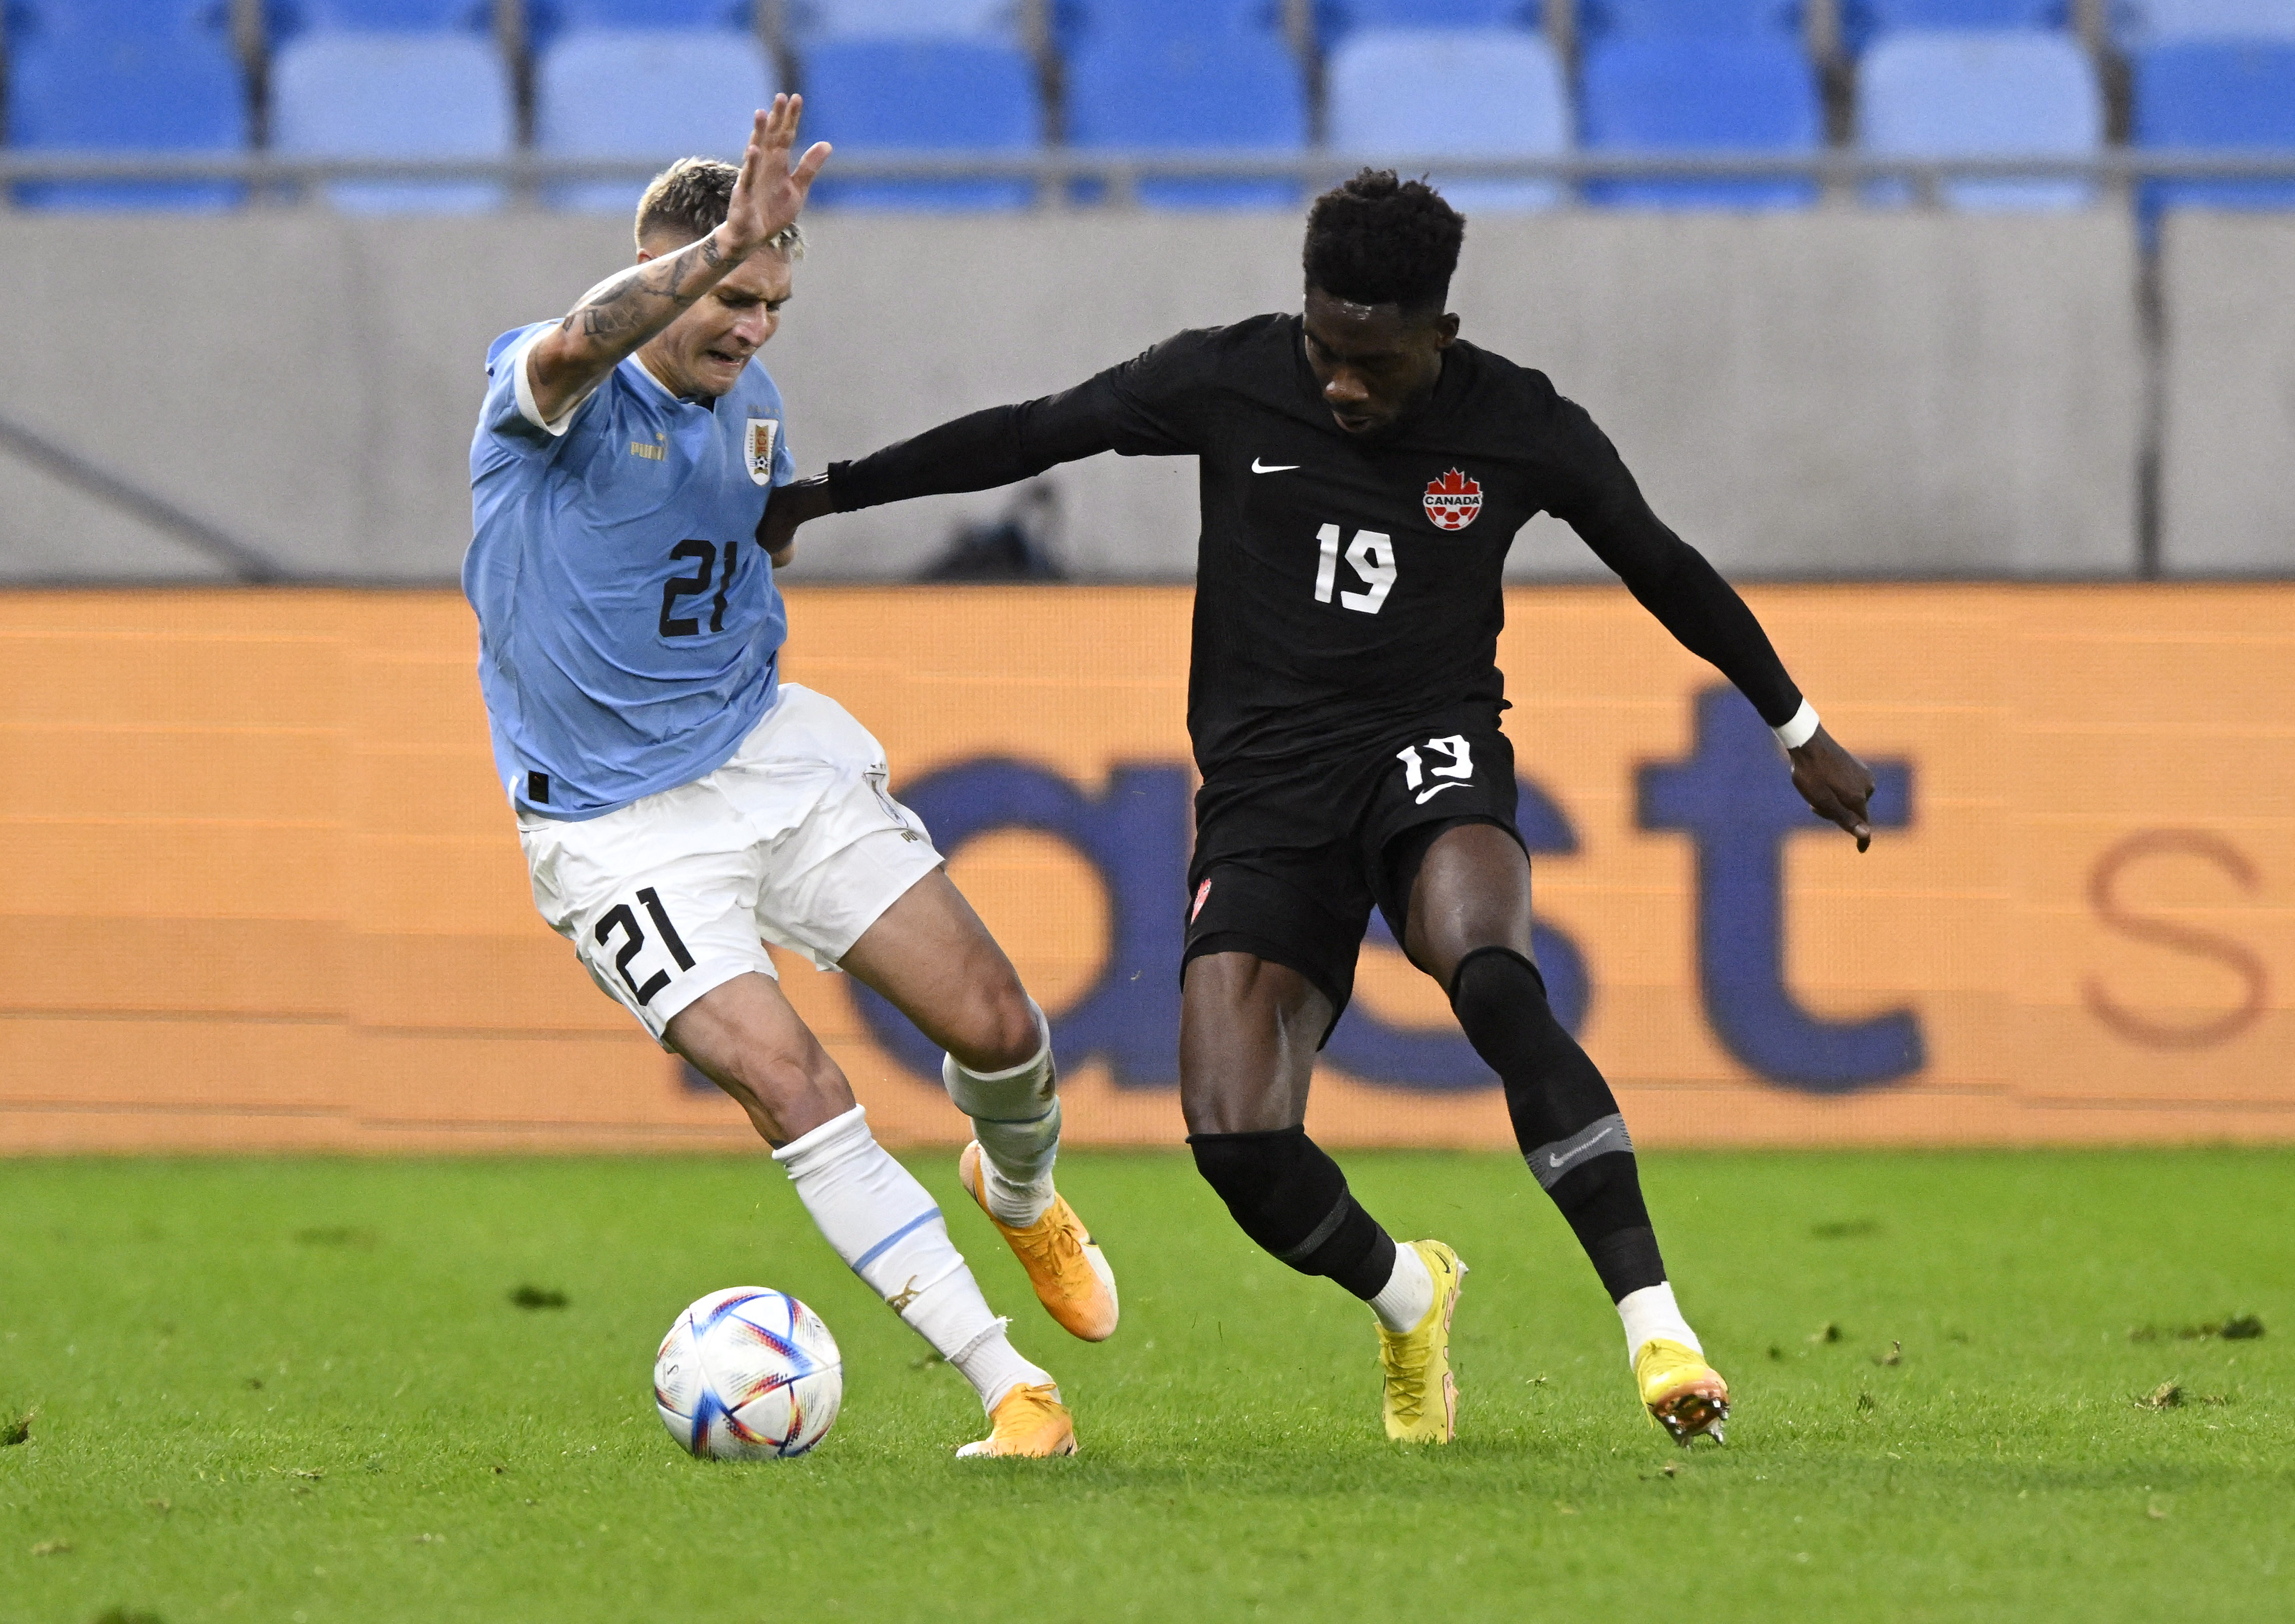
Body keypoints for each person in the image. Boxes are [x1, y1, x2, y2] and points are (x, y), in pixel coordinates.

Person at [759, 169, 1881, 1448]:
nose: (1343, 382)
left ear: (1438, 337)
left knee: (1495, 980)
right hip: (1266, 791)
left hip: (1430, 747)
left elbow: (1661, 561)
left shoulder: (1517, 424)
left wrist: (1794, 726)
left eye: (1376, 362)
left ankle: (1656, 1326)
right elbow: (1034, 431)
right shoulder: (1227, 378)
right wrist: (828, 492)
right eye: (1324, 348)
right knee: (1237, 1141)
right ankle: (1411, 1294)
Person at [463, 99, 1115, 1461]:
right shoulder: (543, 403)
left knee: (998, 1025)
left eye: (770, 298)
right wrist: (703, 262)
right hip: (615, 832)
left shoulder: (746, 397)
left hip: (765, 756)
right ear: (665, 267)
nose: (750, 325)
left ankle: (1020, 1186)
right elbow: (585, 337)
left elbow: (727, 539)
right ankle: (1010, 1388)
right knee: (795, 1086)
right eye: (727, 292)